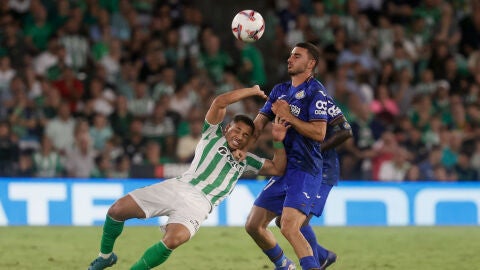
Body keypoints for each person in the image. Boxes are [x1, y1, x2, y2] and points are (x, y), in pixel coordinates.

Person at [87, 85, 290, 270]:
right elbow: (220, 102)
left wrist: (278, 141)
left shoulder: (247, 161)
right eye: (237, 129)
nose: (240, 136)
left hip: (199, 204)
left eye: (246, 135)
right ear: (227, 128)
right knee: (116, 210)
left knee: (173, 239)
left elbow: (278, 169)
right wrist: (252, 91)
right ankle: (105, 256)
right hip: (178, 186)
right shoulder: (212, 135)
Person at [245, 42, 329, 270]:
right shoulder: (279, 90)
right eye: (290, 55)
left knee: (289, 227)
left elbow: (320, 133)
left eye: (297, 56)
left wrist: (288, 116)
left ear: (311, 63)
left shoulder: (316, 92)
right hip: (282, 169)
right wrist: (243, 145)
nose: (290, 59)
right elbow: (259, 124)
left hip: (305, 169)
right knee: (253, 225)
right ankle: (285, 266)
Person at [275, 96, 353, 269]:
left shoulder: (321, 100)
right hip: (300, 169)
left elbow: (346, 131)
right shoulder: (289, 99)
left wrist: (316, 150)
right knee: (283, 221)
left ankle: (316, 262)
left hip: (322, 170)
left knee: (295, 223)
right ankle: (323, 257)